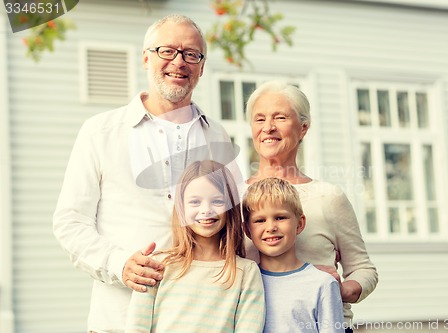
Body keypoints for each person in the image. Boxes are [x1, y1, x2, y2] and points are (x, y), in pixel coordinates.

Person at [53, 14, 240, 333]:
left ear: (202, 66)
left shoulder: (218, 138)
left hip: (198, 320)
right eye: (167, 51)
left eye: (191, 54)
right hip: (119, 319)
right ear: (145, 58)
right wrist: (119, 263)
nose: (179, 62)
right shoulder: (100, 132)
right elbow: (70, 221)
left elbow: (234, 227)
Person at [244, 80, 378, 331]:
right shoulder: (235, 197)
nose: (268, 128)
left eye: (280, 117)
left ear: (303, 128)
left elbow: (363, 268)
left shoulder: (328, 197)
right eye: (259, 119)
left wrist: (341, 290)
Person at [125, 160, 265, 333]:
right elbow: (137, 327)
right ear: (182, 207)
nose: (206, 210)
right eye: (195, 202)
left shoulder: (246, 272)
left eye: (217, 201)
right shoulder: (157, 266)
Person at [243, 177, 344, 333]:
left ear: (300, 224)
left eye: (280, 217)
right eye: (260, 220)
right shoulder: (243, 282)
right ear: (247, 230)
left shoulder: (322, 284)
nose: (271, 227)